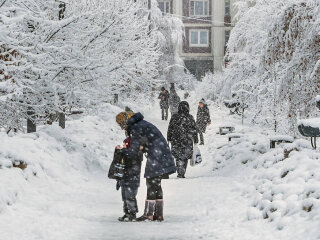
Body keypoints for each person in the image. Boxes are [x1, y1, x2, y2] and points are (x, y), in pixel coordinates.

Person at [115, 111, 176, 221]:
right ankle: (158, 214)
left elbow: (133, 151)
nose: (121, 128)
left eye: (121, 124)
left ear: (125, 121)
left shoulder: (136, 127)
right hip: (161, 153)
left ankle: (149, 214)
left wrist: (122, 150)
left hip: (157, 155)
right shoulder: (141, 124)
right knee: (156, 183)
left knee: (151, 182)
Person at [167, 101, 198, 178]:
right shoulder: (190, 117)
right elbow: (194, 129)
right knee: (185, 156)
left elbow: (170, 128)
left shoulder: (174, 117)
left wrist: (169, 138)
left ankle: (180, 170)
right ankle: (182, 171)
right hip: (187, 140)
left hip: (176, 140)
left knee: (178, 156)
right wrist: (195, 139)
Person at [117, 137, 143, 222]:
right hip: (125, 179)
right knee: (124, 197)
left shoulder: (135, 154)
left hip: (132, 180)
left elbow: (133, 166)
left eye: (125, 144)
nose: (123, 146)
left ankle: (132, 213)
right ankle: (127, 212)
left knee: (130, 197)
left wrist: (123, 151)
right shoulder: (126, 154)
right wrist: (119, 179)